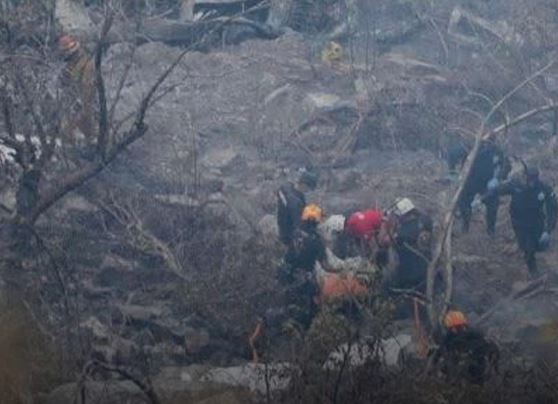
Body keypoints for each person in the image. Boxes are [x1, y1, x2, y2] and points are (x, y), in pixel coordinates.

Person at [477, 166, 557, 276]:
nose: (532, 182)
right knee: (526, 247)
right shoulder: (516, 185)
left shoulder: (543, 189)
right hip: (519, 223)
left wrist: (548, 230)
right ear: (525, 177)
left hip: (536, 223)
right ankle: (531, 266)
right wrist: (482, 199)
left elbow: (552, 209)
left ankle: (534, 266)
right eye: (530, 178)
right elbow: (499, 190)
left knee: (535, 246)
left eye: (534, 178)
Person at [278, 203, 329, 329]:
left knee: (286, 304)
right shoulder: (317, 241)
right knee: (312, 308)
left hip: (285, 273)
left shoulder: (295, 232)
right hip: (304, 280)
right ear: (317, 222)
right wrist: (342, 270)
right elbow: (325, 265)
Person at [447, 141, 511, 234]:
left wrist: (498, 179)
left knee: (493, 205)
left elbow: (505, 165)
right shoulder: (468, 148)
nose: (487, 145)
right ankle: (466, 224)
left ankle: (491, 230)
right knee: (464, 203)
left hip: (487, 182)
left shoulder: (496, 150)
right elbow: (452, 154)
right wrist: (452, 172)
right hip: (470, 181)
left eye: (490, 142)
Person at [431, 310, 499, 385]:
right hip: (460, 376)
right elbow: (439, 353)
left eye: (459, 327)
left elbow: (491, 351)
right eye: (456, 327)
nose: (458, 330)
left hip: (475, 373)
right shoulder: (448, 340)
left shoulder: (475, 336)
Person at [384, 198, 433, 292]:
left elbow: (386, 242)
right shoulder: (426, 220)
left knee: (388, 289)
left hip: (409, 274)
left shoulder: (402, 233)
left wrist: (390, 226)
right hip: (428, 267)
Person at [277, 169, 319, 247]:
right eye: (309, 188)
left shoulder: (288, 189)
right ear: (304, 185)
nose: (308, 191)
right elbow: (297, 224)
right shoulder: (295, 201)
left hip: (284, 228)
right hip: (288, 235)